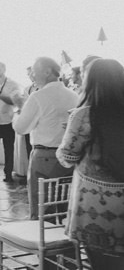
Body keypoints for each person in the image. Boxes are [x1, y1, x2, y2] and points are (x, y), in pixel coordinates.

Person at [56, 59, 124, 270]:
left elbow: (67, 157)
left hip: (96, 201)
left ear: (91, 81)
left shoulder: (85, 114)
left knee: (102, 262)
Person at [13, 57, 77, 219]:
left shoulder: (38, 97)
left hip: (45, 159)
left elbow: (21, 128)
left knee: (42, 208)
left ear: (48, 72)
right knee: (66, 206)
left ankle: (43, 240)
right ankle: (64, 241)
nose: (32, 76)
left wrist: (20, 106)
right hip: (69, 157)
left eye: (34, 72)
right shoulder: (74, 96)